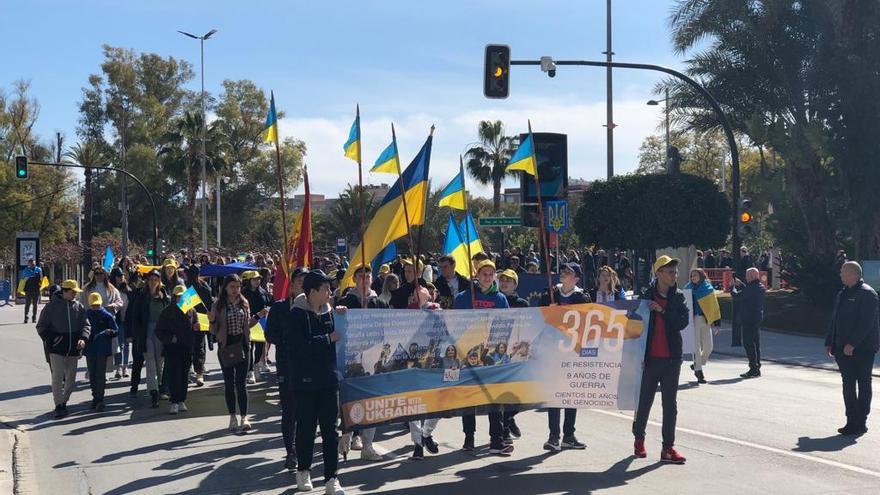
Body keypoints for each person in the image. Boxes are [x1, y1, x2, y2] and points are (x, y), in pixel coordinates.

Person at [288, 270, 346, 494]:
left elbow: (342, 334)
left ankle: (331, 478)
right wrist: (327, 338)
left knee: (330, 432)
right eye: (325, 289)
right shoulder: (296, 315)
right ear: (312, 291)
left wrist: (342, 315)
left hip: (329, 381)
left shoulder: (331, 313)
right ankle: (303, 471)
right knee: (306, 430)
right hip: (305, 383)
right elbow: (298, 347)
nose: (329, 293)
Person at [632, 255, 689, 464]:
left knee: (670, 405)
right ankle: (639, 439)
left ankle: (668, 448)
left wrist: (662, 310)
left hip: (672, 359)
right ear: (658, 274)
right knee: (644, 401)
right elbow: (633, 324)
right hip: (650, 359)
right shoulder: (646, 296)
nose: (674, 275)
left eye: (675, 272)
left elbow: (682, 323)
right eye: (669, 272)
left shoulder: (679, 297)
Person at [454, 259, 513, 456]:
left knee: (494, 397)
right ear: (477, 275)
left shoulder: (500, 299)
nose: (487, 277)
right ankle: (468, 437)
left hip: (490, 355)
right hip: (468, 353)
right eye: (483, 273)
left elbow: (504, 326)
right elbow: (455, 323)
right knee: (469, 398)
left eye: (490, 274)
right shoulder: (463, 297)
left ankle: (496, 440)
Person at [337, 265, 387, 462]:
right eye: (361, 276)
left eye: (368, 276)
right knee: (351, 400)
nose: (365, 280)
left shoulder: (380, 302)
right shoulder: (346, 301)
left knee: (371, 403)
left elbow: (387, 327)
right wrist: (341, 312)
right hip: (351, 358)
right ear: (354, 279)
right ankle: (348, 434)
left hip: (373, 358)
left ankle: (368, 446)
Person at [540, 262, 590, 451]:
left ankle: (568, 436)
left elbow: (587, 320)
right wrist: (548, 310)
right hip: (553, 351)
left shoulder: (582, 297)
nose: (563, 273)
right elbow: (539, 315)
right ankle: (554, 436)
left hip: (573, 352)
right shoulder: (550, 293)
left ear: (576, 278)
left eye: (568, 272)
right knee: (554, 394)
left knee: (571, 394)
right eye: (563, 271)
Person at [825, 261, 879, 436]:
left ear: (853, 274)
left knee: (863, 383)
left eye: (843, 272)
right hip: (841, 348)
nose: (840, 274)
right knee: (848, 384)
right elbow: (835, 319)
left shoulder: (867, 294)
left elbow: (867, 323)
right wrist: (830, 341)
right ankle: (851, 420)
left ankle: (861, 421)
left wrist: (853, 343)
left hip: (863, 349)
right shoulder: (842, 294)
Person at [266, 267, 309, 472]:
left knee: (306, 412)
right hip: (286, 365)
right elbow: (269, 334)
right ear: (291, 284)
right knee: (289, 411)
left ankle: (303, 450)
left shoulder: (315, 307)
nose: (303, 285)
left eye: (306, 281)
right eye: (300, 281)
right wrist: (285, 340)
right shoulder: (279, 308)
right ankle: (290, 452)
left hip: (308, 366)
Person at [35, 280, 91, 418]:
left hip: (73, 349)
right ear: (65, 291)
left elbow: (86, 325)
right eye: (73, 292)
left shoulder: (79, 307)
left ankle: (64, 401)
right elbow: (41, 326)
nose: (75, 295)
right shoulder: (51, 307)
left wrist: (83, 338)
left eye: (76, 293)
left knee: (70, 381)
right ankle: (59, 404)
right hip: (56, 350)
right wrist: (52, 340)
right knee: (58, 377)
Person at [210, 274, 257, 433]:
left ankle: (244, 417)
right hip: (226, 347)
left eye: (237, 287)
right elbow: (213, 331)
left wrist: (257, 317)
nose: (235, 290)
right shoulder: (218, 305)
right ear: (225, 287)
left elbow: (247, 325)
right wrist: (211, 321)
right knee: (229, 383)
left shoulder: (244, 303)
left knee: (241, 384)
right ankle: (232, 416)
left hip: (242, 346)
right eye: (232, 287)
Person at [129, 269, 170, 407]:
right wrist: (136, 336)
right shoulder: (141, 297)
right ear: (147, 281)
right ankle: (153, 393)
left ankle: (159, 386)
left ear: (159, 282)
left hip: (161, 333)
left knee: (160, 363)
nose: (153, 282)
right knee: (150, 362)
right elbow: (134, 319)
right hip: (146, 333)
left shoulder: (164, 297)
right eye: (151, 279)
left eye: (155, 279)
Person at [156, 285, 199, 415]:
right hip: (172, 348)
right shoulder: (167, 311)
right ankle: (174, 401)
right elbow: (159, 331)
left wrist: (196, 327)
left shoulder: (192, 311)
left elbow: (196, 328)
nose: (181, 299)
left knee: (184, 375)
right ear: (174, 297)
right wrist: (170, 338)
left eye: (183, 296)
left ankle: (181, 400)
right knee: (174, 374)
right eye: (178, 296)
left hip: (186, 347)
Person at [84, 292, 118, 411]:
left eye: (97, 305)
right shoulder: (86, 315)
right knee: (92, 374)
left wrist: (110, 332)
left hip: (103, 349)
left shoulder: (107, 316)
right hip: (90, 349)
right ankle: (95, 397)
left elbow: (116, 330)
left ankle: (100, 399)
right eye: (93, 305)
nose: (95, 307)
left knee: (100, 374)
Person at [686, 269, 721, 384]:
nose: (693, 278)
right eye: (691, 276)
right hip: (694, 320)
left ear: (701, 276)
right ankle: (699, 372)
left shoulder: (708, 288)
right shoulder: (688, 288)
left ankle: (698, 363)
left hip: (706, 320)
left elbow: (714, 307)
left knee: (708, 347)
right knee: (696, 346)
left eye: (695, 275)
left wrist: (716, 323)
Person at [731, 267, 766, 378]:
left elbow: (737, 296)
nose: (745, 278)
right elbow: (747, 292)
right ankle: (757, 366)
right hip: (756, 318)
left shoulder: (751, 288)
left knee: (748, 343)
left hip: (748, 319)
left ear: (751, 276)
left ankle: (753, 368)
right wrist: (741, 285)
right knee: (756, 343)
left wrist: (732, 287)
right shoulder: (759, 287)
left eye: (747, 276)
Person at [242, 270, 271, 384]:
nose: (257, 281)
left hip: (260, 323)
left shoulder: (263, 292)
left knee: (259, 348)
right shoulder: (243, 293)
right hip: (248, 323)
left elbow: (269, 303)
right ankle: (250, 372)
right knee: (249, 348)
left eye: (258, 279)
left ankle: (256, 366)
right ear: (249, 280)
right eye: (254, 279)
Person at [185, 264, 212, 387]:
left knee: (199, 348)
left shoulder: (204, 286)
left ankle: (199, 372)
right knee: (195, 348)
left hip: (201, 321)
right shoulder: (185, 287)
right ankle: (194, 371)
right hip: (188, 321)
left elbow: (209, 303)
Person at [110, 268, 131, 379]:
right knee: (118, 344)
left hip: (126, 320)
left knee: (126, 344)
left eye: (122, 275)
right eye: (118, 276)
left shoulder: (128, 290)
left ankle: (125, 367)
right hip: (116, 320)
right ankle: (118, 366)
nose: (121, 277)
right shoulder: (111, 290)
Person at [22, 258, 42, 323]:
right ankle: (26, 317)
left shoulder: (38, 269)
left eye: (33, 264)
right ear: (28, 264)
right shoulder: (26, 270)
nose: (32, 265)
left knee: (35, 304)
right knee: (27, 304)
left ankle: (34, 317)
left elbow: (41, 278)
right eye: (31, 264)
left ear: (35, 263)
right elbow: (23, 278)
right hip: (28, 290)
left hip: (36, 289)